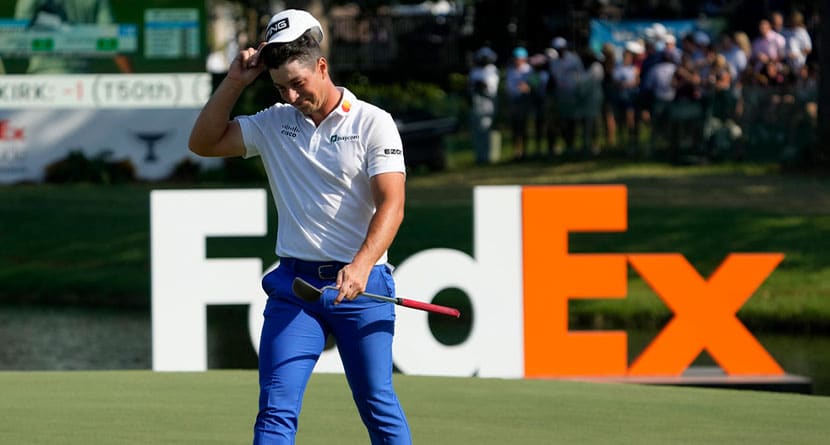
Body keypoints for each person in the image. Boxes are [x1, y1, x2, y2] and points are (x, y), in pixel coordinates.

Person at [188, 9, 411, 445]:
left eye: (298, 83)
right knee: (275, 410)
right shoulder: (273, 122)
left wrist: (363, 264)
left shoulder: (372, 121)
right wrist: (235, 81)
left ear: (322, 67)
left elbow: (393, 203)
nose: (290, 95)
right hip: (297, 290)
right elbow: (203, 143)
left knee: (377, 403)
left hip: (363, 287)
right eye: (279, 87)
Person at [14, 0, 132, 73]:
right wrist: (131, 77)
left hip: (43, 77)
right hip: (81, 79)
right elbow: (112, 41)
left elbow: (18, 33)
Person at [468, 45, 499, 164]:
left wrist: (481, 85)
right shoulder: (475, 71)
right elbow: (471, 88)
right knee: (477, 132)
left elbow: (490, 89)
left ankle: (487, 156)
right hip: (476, 105)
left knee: (486, 129)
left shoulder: (492, 70)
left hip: (487, 104)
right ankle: (479, 156)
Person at [505, 46, 532, 161]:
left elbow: (529, 86)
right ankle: (516, 152)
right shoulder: (511, 70)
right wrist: (520, 88)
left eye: (519, 58)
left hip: (525, 102)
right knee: (515, 129)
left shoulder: (529, 70)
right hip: (514, 102)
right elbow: (510, 88)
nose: (517, 60)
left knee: (523, 128)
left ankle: (525, 152)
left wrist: (524, 88)